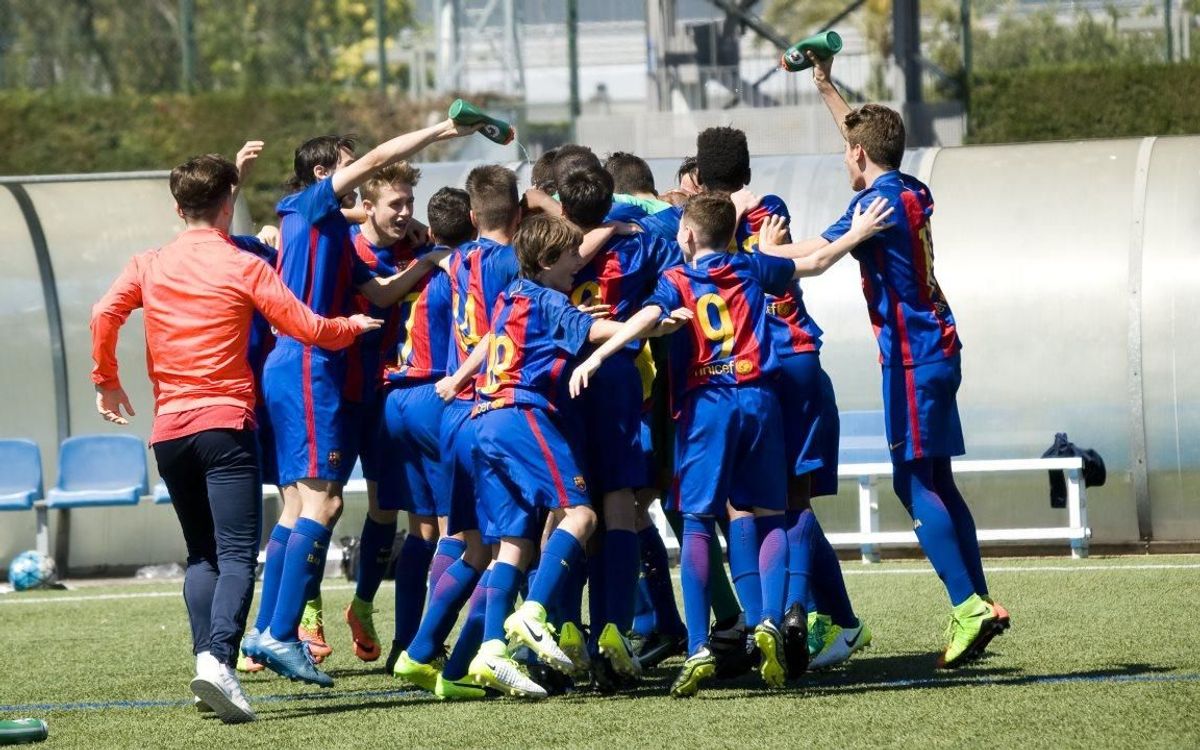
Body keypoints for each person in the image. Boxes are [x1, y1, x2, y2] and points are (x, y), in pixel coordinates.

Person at [89, 153, 380, 723]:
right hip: (224, 424)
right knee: (236, 555)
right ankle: (219, 662)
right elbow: (308, 328)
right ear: (230, 202)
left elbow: (104, 313)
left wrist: (107, 381)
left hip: (169, 432)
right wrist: (352, 326)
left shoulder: (149, 262)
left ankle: (208, 661)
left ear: (177, 208)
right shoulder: (244, 266)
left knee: (202, 555)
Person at [568, 192, 893, 697]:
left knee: (697, 524)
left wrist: (598, 355)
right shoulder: (751, 266)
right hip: (759, 401)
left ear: (689, 236)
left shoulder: (677, 279)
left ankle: (699, 645)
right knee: (768, 513)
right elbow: (816, 261)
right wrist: (859, 231)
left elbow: (643, 320)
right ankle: (766, 618)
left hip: (708, 405)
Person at [759, 49, 1011, 669]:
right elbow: (865, 138)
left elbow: (815, 255)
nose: (845, 154)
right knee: (939, 481)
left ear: (859, 157)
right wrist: (824, 85)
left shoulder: (877, 206)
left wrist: (752, 256)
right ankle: (979, 603)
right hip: (940, 347)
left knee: (912, 481)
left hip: (912, 357)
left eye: (849, 150)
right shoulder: (910, 187)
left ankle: (968, 606)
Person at [243, 119, 475, 688]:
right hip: (310, 363)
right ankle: (279, 632)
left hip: (299, 365)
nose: (358, 172)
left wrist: (426, 254)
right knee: (322, 508)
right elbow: (383, 157)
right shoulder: (316, 205)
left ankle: (265, 632)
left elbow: (376, 292)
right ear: (327, 174)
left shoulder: (306, 216)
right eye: (350, 165)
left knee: (299, 508)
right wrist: (445, 127)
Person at [463, 213, 691, 698]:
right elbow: (593, 335)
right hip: (520, 412)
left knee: (515, 543)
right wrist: (650, 327)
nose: (579, 263)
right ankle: (534, 613)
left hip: (482, 416)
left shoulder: (511, 295)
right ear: (548, 260)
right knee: (583, 515)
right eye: (571, 255)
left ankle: (490, 651)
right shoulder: (549, 300)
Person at [557, 166, 681, 681]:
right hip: (618, 380)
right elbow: (678, 229)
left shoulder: (545, 244)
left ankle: (563, 629)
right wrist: (630, 213)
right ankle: (614, 628)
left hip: (560, 382)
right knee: (620, 505)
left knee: (565, 509)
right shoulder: (642, 242)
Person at [375, 186, 471, 677]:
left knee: (421, 530)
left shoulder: (407, 261)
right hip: (438, 397)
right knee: (464, 530)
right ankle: (428, 645)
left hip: (394, 399)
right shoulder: (466, 268)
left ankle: (403, 642)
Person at [340, 162, 427, 664]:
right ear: (367, 207)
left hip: (389, 394)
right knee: (319, 505)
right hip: (342, 390)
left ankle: (363, 603)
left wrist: (426, 239)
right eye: (397, 204)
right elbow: (380, 294)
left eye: (410, 203)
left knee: (384, 508)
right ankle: (302, 616)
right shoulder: (350, 248)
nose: (405, 212)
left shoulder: (414, 244)